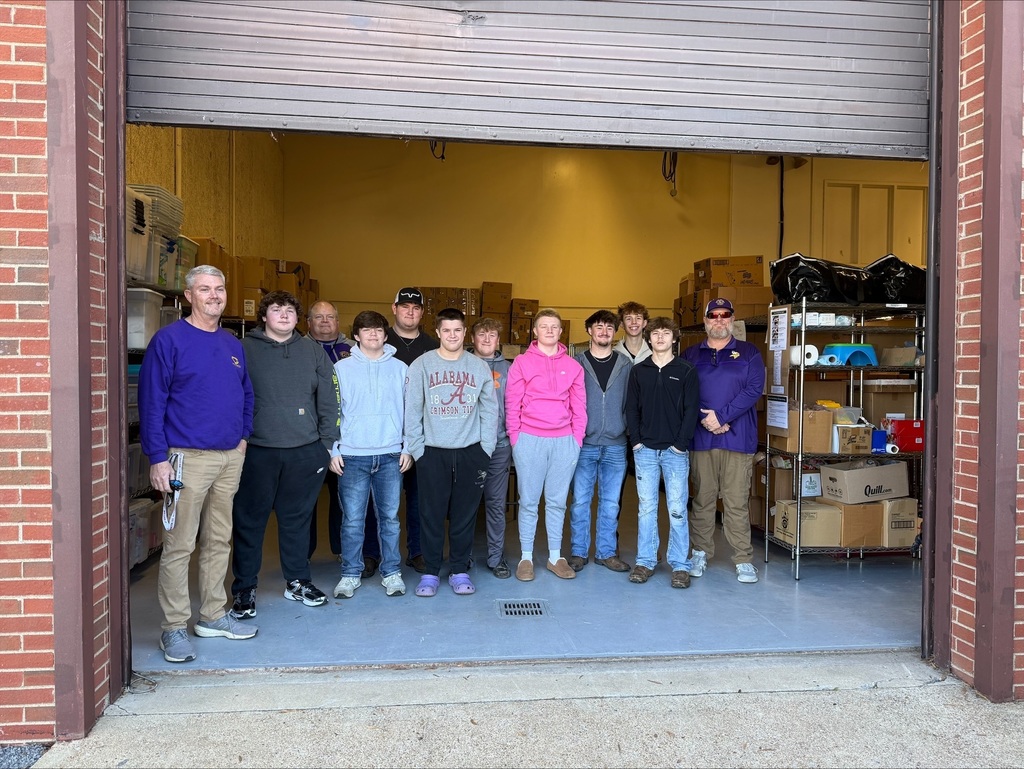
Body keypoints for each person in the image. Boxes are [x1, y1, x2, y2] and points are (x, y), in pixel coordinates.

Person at [138, 264, 257, 664]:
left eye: (219, 288)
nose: (214, 295)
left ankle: (212, 615)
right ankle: (173, 628)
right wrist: (157, 458)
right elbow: (152, 403)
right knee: (179, 544)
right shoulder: (168, 340)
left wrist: (242, 439)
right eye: (204, 289)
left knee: (219, 540)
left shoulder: (231, 343)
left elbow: (247, 394)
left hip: (228, 458)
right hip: (185, 458)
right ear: (188, 295)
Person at [229, 290, 339, 621]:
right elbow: (231, 395)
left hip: (305, 451)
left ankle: (297, 581)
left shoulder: (313, 351)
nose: (283, 315)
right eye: (276, 310)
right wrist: (239, 439)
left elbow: (329, 397)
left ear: (297, 317)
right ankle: (245, 588)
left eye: (290, 310)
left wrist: (326, 442)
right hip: (257, 450)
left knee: (297, 520)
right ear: (264, 316)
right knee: (249, 522)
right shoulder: (245, 349)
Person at [404, 308, 498, 597]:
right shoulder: (421, 365)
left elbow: (490, 410)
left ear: (464, 332)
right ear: (439, 332)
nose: (453, 335)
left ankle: (459, 570)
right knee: (430, 514)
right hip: (432, 452)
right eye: (447, 330)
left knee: (464, 515)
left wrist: (485, 449)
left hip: (471, 452)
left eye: (457, 330)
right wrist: (418, 450)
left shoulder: (478, 367)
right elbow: (412, 410)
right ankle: (431, 573)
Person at [682, 297, 767, 584]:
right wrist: (706, 418)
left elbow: (755, 389)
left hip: (738, 438)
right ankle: (700, 553)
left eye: (725, 315)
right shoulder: (691, 354)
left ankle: (743, 559)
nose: (719, 320)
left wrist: (723, 416)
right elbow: (682, 392)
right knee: (702, 499)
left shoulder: (749, 352)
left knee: (736, 501)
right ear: (705, 321)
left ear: (732, 319)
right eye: (713, 316)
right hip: (701, 439)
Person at [331, 310, 412, 600]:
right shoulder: (341, 369)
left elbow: (410, 411)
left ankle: (391, 573)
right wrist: (333, 449)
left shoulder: (401, 369)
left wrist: (408, 447)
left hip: (391, 454)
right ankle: (350, 574)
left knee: (390, 519)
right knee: (352, 520)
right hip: (352, 455)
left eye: (378, 330)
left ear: (385, 334)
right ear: (356, 335)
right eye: (366, 330)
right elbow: (334, 411)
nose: (373, 335)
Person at [505, 309, 587, 581]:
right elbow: (512, 403)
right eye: (544, 326)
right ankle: (526, 558)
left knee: (557, 502)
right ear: (535, 331)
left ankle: (555, 556)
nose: (550, 330)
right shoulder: (521, 363)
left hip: (564, 441)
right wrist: (516, 439)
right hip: (529, 439)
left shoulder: (574, 366)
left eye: (555, 326)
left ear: (561, 332)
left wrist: (576, 440)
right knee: (528, 502)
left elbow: (579, 407)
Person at [362, 287, 439, 575]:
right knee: (375, 501)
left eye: (416, 308)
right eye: (404, 306)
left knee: (420, 499)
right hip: (381, 436)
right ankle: (371, 553)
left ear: (422, 312)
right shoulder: (379, 340)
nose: (410, 312)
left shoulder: (433, 346)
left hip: (421, 435)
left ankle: (417, 551)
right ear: (393, 308)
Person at [624, 316, 700, 589]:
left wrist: (680, 444)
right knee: (646, 509)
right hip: (645, 450)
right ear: (648, 338)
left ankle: (680, 565)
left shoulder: (686, 370)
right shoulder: (639, 370)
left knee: (678, 508)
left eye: (666, 333)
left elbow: (692, 410)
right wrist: (636, 441)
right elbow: (631, 407)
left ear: (674, 338)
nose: (660, 338)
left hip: (674, 452)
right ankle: (645, 561)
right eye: (655, 333)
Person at [567, 310, 633, 573]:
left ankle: (606, 553)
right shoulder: (575, 363)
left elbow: (632, 401)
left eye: (609, 327)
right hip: (585, 443)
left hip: (616, 444)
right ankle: (578, 552)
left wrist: (624, 427)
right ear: (589, 331)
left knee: (611, 502)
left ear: (615, 332)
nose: (604, 331)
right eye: (598, 327)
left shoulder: (625, 365)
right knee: (580, 500)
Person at [305, 300, 351, 562]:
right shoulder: (298, 348)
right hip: (309, 437)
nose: (324, 321)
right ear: (308, 322)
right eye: (318, 316)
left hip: (345, 439)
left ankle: (342, 550)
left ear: (337, 321)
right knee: (306, 500)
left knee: (344, 500)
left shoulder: (353, 350)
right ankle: (304, 554)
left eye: (330, 317)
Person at [471, 317, 513, 579]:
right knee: (464, 504)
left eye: (492, 335)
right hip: (468, 446)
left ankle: (496, 557)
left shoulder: (509, 369)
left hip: (500, 445)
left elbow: (515, 405)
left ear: (499, 340)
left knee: (496, 504)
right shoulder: (462, 364)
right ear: (472, 338)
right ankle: (461, 558)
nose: (487, 340)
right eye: (482, 334)